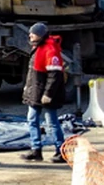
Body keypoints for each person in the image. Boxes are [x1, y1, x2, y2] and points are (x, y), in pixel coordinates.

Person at [21, 22, 66, 164]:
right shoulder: (38, 49)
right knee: (32, 119)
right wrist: (27, 88)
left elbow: (55, 75)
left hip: (45, 94)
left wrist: (48, 94)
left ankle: (61, 151)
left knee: (51, 122)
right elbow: (32, 74)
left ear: (40, 35)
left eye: (32, 33)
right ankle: (36, 150)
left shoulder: (49, 50)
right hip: (35, 92)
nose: (30, 35)